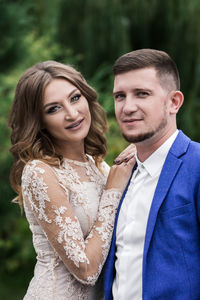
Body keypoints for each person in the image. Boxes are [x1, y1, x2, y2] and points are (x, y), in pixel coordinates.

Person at [8, 60, 136, 300]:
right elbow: (86, 270)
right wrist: (113, 190)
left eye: (75, 98)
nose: (72, 113)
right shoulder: (40, 172)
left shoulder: (98, 165)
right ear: (39, 121)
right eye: (53, 109)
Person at [104, 49, 200, 300]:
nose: (127, 107)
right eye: (120, 96)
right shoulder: (118, 175)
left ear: (174, 102)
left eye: (142, 94)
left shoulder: (197, 165)